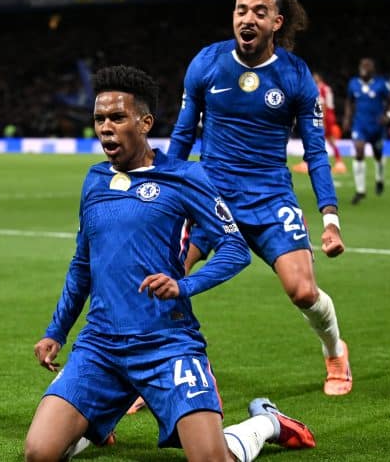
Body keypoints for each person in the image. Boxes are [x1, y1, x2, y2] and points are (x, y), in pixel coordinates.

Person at [23, 65, 316, 462]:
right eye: (99, 119)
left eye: (117, 117)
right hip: (101, 345)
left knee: (210, 460)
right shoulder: (94, 181)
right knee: (39, 453)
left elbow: (234, 249)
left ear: (144, 123)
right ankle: (98, 419)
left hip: (166, 344)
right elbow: (82, 265)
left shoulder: (185, 177)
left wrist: (183, 285)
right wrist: (56, 330)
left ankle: (266, 422)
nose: (105, 128)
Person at [167, 0, 352, 398]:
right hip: (210, 195)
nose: (247, 19)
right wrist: (164, 199)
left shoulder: (295, 75)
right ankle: (163, 372)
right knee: (165, 278)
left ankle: (335, 351)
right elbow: (182, 136)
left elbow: (316, 152)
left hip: (270, 197)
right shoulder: (207, 63)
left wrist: (331, 220)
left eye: (259, 12)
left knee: (303, 291)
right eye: (240, 10)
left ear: (276, 23)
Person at [342, 58, 390, 205]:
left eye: (368, 66)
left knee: (378, 155)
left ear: (373, 69)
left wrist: (389, 115)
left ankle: (379, 178)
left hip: (377, 126)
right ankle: (360, 190)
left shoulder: (381, 84)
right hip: (360, 125)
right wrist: (347, 118)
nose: (364, 68)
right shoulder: (353, 84)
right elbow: (349, 101)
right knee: (359, 151)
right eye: (362, 65)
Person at [293, 72, 346, 174]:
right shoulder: (326, 87)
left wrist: (322, 119)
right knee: (329, 139)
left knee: (312, 137)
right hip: (330, 115)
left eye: (315, 77)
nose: (313, 78)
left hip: (324, 116)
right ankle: (339, 161)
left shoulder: (320, 88)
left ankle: (307, 162)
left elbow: (322, 104)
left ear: (319, 78)